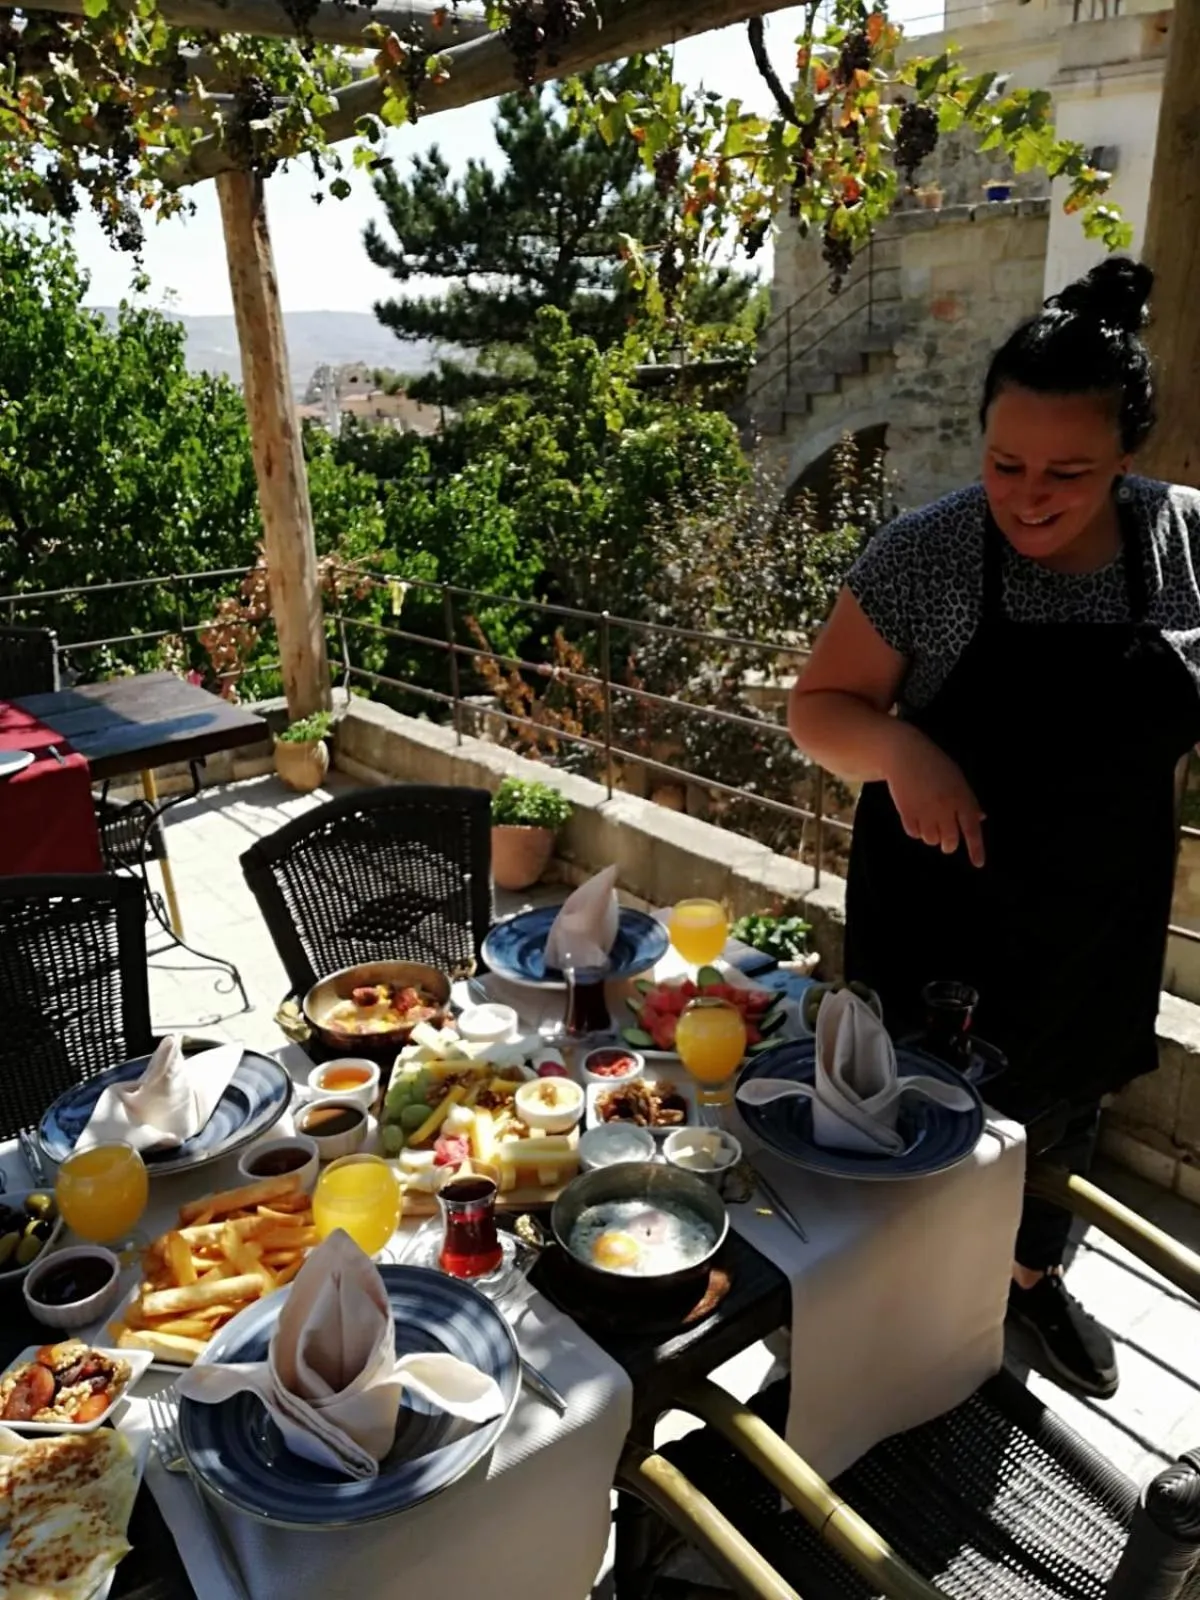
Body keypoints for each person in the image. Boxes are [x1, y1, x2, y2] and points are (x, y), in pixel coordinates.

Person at [788, 257, 1200, 1399]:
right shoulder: (931, 552)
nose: (1028, 494)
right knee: (912, 1149)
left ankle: (1029, 1285)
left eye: (1068, 471)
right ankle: (899, 1345)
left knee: (1063, 1128)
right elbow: (816, 708)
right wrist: (903, 749)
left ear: (1131, 457)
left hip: (1098, 928)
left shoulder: (1183, 550)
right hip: (940, 930)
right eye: (1005, 462)